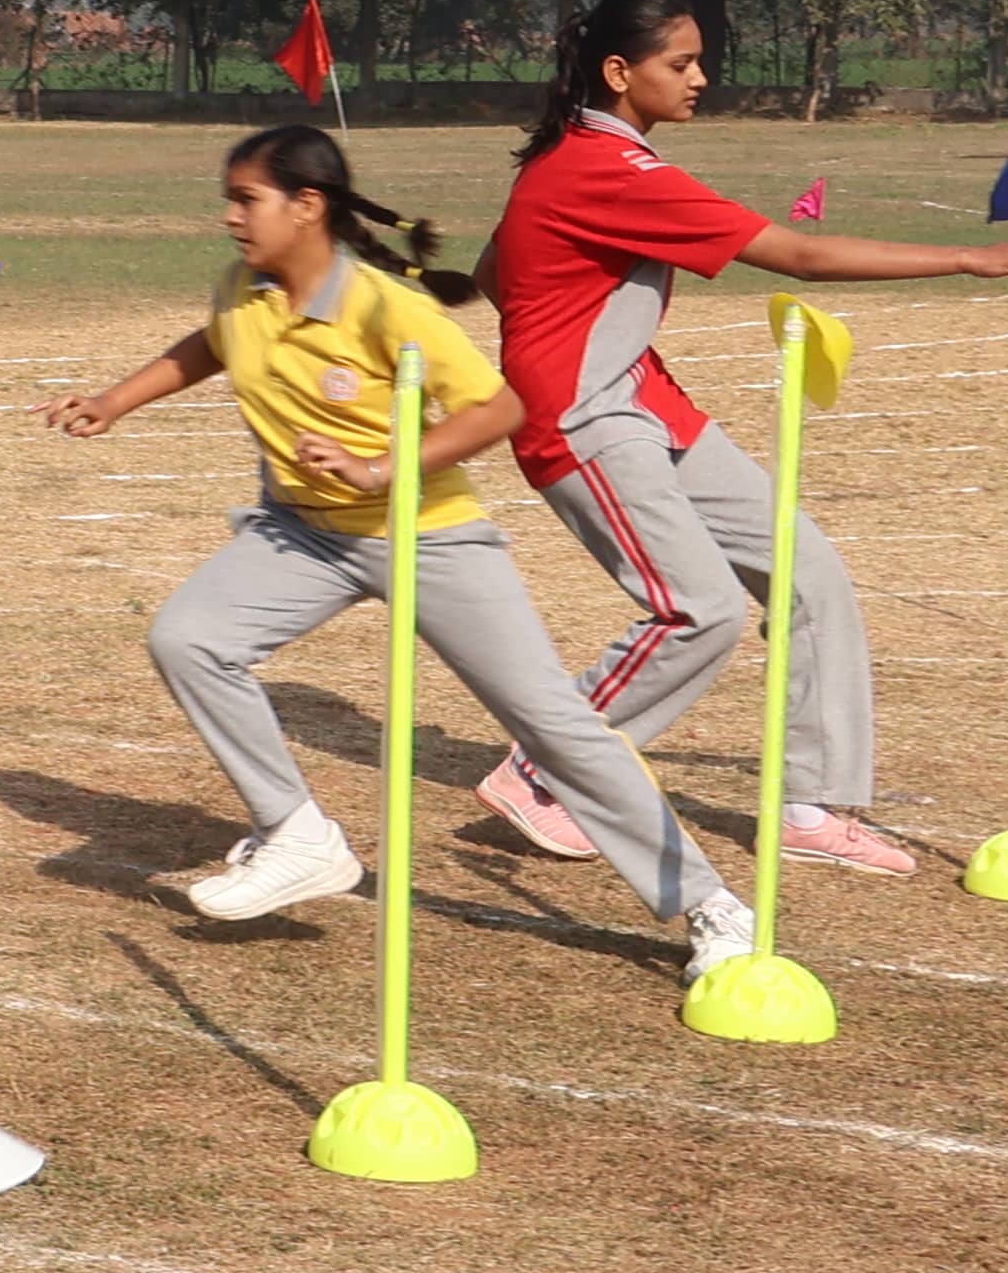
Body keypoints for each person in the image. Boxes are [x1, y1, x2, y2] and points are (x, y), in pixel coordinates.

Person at [40, 125, 739, 976]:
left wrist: (380, 466)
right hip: (303, 531)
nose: (230, 217)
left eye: (246, 200)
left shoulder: (383, 307)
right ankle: (296, 834)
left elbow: (498, 408)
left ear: (307, 206)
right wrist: (116, 400)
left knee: (552, 725)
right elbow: (213, 342)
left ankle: (711, 906)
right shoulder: (242, 289)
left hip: (426, 534)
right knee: (189, 639)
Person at [470, 0, 1008, 880]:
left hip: (645, 402)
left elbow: (495, 269)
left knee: (810, 575)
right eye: (680, 63)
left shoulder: (584, 156)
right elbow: (798, 254)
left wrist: (571, 318)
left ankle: (808, 807)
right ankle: (543, 771)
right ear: (619, 73)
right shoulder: (606, 168)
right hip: (583, 418)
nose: (701, 77)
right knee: (699, 610)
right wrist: (975, 258)